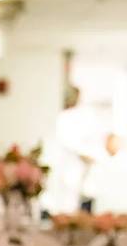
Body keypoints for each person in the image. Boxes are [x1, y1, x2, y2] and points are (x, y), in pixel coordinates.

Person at [41, 86, 104, 214]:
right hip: (66, 170)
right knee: (66, 204)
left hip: (79, 173)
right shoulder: (64, 118)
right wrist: (84, 154)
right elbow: (70, 142)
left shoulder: (81, 116)